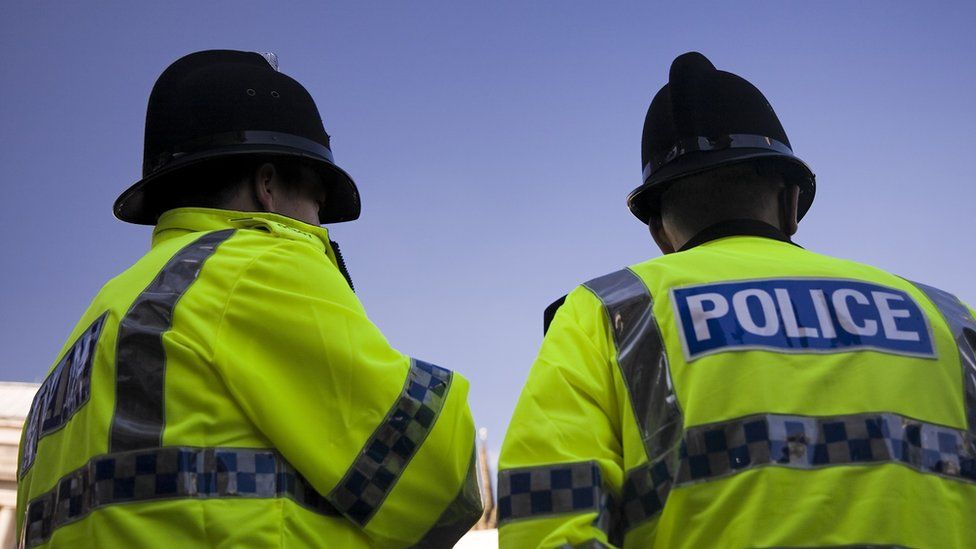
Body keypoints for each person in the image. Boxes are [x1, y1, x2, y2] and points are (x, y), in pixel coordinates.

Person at [497, 51, 976, 548]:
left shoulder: (607, 312)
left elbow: (547, 517)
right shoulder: (950, 319)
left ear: (659, 230)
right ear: (792, 202)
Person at [16, 50, 482, 548]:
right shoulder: (255, 265)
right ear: (268, 186)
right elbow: (436, 479)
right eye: (317, 203)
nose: (319, 225)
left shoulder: (89, 335)